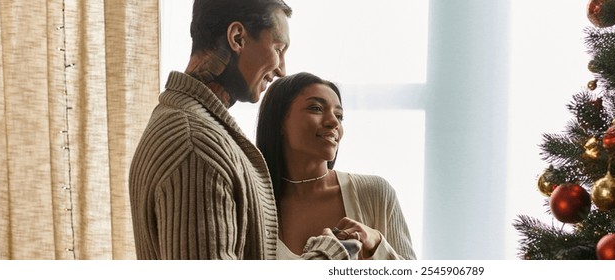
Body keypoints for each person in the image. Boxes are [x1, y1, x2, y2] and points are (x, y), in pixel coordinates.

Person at [129, 0, 350, 260]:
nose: (282, 70)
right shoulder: (197, 145)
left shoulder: (185, 122)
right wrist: (326, 258)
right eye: (278, 49)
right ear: (237, 38)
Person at [256, 72, 416, 260]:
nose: (333, 122)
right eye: (316, 108)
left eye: (339, 116)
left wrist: (377, 244)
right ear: (280, 120)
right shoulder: (250, 202)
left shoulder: (375, 193)